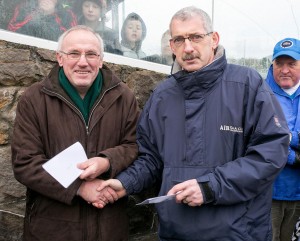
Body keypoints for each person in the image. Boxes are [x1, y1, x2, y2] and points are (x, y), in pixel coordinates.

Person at [93, 6, 290, 241]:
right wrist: (126, 183)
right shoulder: (162, 96)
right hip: (176, 231)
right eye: (179, 39)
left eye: (196, 37)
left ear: (214, 39)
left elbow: (271, 153)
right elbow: (151, 158)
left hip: (238, 232)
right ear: (172, 45)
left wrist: (209, 187)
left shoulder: (248, 84)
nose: (188, 48)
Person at [11, 25, 140, 241]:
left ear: (101, 60)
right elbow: (25, 163)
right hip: (52, 229)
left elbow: (135, 145)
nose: (83, 62)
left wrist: (106, 162)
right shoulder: (34, 99)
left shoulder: (123, 97)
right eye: (73, 53)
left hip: (108, 227)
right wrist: (79, 188)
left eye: (91, 54)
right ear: (59, 58)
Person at [265, 37, 300, 241]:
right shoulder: (259, 94)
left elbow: (276, 137)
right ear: (272, 64)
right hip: (268, 193)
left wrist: (286, 137)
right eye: (279, 63)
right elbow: (261, 140)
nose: (284, 70)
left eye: (292, 64)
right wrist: (294, 157)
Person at [7, 0, 77, 41]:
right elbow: (11, 31)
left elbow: (70, 41)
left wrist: (50, 13)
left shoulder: (68, 14)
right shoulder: (24, 6)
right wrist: (37, 14)